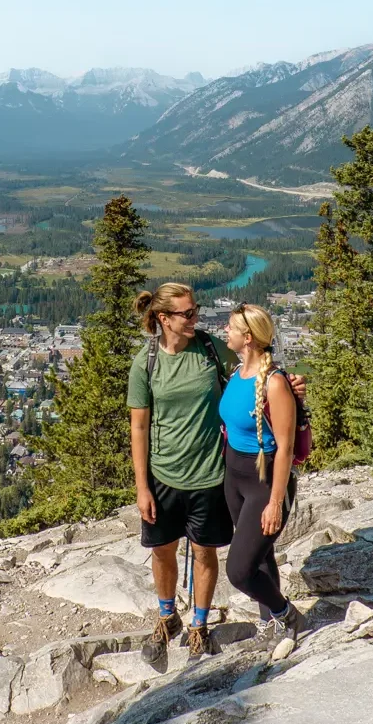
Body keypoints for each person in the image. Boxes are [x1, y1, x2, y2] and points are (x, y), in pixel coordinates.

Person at [128, 283, 306, 664]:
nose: (197, 318)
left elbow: (258, 365)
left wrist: (290, 386)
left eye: (197, 310)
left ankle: (200, 625)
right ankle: (166, 617)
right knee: (162, 551)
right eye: (188, 313)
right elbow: (139, 428)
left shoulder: (210, 349)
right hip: (164, 474)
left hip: (212, 472)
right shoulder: (146, 362)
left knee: (205, 551)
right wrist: (142, 486)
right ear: (164, 319)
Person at [221, 302, 302, 647]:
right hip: (235, 477)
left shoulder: (275, 383)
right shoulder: (237, 373)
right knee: (260, 557)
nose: (225, 330)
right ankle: (270, 623)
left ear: (248, 338)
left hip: (264, 482)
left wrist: (274, 503)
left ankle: (286, 615)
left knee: (238, 571)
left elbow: (284, 448)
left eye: (231, 326)